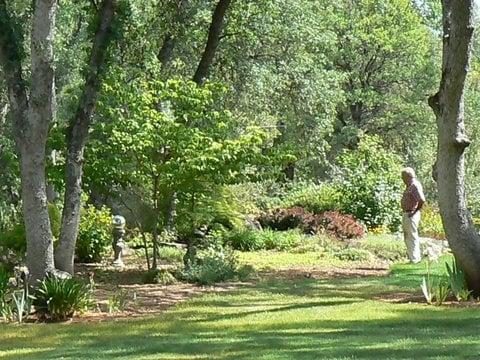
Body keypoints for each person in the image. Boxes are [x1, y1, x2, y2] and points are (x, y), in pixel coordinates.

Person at [401, 167, 425, 263]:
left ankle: (415, 259)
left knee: (412, 236)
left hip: (411, 214)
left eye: (403, 177)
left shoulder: (414, 186)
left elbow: (421, 200)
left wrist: (414, 212)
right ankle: (412, 258)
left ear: (408, 176)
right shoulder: (410, 186)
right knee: (408, 236)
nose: (402, 180)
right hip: (407, 213)